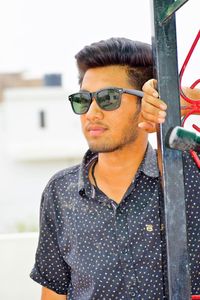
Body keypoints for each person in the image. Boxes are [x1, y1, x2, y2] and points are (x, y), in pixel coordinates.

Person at [30, 37, 200, 299]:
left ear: (146, 102)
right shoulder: (60, 192)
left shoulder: (189, 173)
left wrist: (186, 99)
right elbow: (54, 292)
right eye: (83, 99)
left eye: (108, 98)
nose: (92, 113)